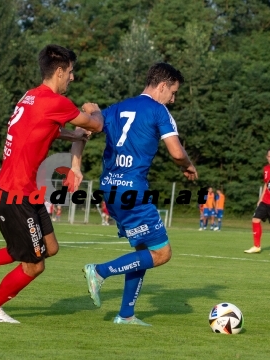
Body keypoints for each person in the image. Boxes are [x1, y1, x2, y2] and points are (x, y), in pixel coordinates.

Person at [0, 44, 103, 323]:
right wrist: (93, 111)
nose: (72, 78)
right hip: (15, 194)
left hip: (23, 192)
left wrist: (75, 139)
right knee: (34, 264)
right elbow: (95, 124)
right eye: (71, 72)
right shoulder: (56, 102)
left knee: (49, 248)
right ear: (59, 72)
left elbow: (41, 130)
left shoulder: (31, 97)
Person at [78, 62, 197, 326]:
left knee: (143, 250)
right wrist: (188, 165)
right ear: (163, 86)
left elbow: (87, 126)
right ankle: (99, 271)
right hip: (133, 189)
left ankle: (126, 314)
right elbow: (176, 153)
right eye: (173, 92)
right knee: (163, 253)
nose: (173, 99)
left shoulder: (117, 108)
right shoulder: (159, 111)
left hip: (109, 187)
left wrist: (91, 110)